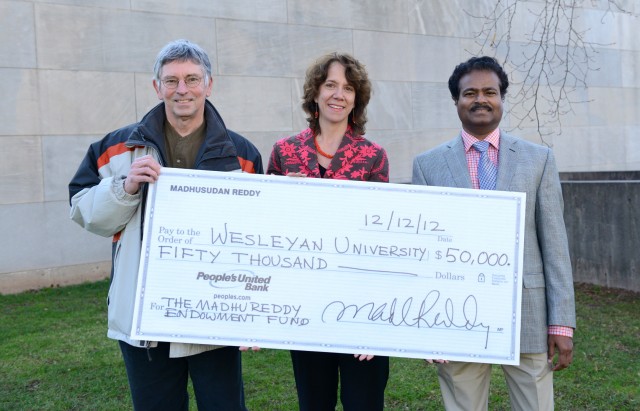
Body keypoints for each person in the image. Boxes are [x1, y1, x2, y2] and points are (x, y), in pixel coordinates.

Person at [68, 39, 263, 411]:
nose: (182, 90)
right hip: (144, 319)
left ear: (209, 84)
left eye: (192, 79)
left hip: (214, 317)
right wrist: (124, 187)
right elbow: (83, 211)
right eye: (171, 81)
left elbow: (254, 242)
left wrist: (248, 313)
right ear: (156, 87)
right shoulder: (116, 149)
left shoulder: (243, 154)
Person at [412, 56, 576, 410]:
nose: (480, 99)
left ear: (502, 98)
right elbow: (422, 253)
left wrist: (562, 323)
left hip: (528, 313)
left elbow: (555, 245)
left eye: (490, 91)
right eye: (469, 93)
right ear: (456, 101)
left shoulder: (539, 159)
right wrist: (426, 329)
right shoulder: (428, 165)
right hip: (455, 316)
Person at [267, 52, 389, 410]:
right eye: (331, 85)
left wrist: (375, 318)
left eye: (348, 88)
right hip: (305, 305)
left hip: (360, 302)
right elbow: (267, 229)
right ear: (316, 93)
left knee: (363, 402)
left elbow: (383, 239)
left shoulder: (373, 156)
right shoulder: (284, 152)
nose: (339, 94)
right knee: (313, 403)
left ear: (357, 98)